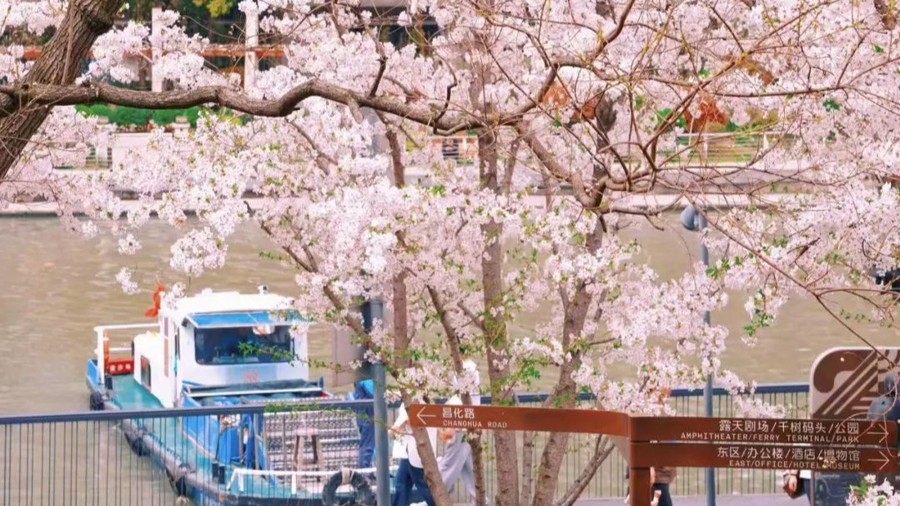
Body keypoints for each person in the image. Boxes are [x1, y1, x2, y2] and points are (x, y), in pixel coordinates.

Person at [391, 402, 437, 506]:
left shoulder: (415, 401)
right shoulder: (414, 400)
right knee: (401, 484)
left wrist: (395, 428)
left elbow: (402, 424)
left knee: (424, 488)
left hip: (416, 453)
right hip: (409, 451)